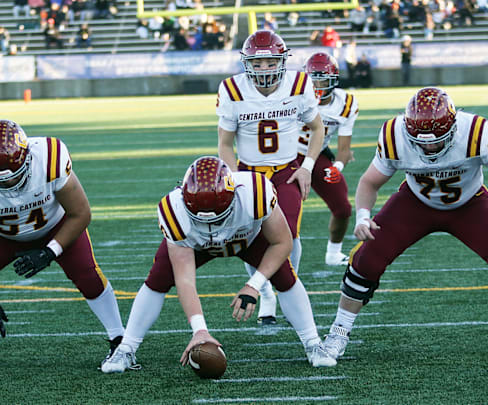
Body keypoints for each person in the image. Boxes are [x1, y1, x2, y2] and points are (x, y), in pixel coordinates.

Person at [322, 87, 488, 361]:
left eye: (437, 140)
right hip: (414, 204)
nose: (428, 147)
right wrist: (363, 216)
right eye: (420, 141)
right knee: (366, 260)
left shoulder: (474, 131)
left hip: (469, 204)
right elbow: (369, 182)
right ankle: (338, 334)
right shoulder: (394, 135)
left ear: (452, 127)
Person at [101, 157, 336, 373]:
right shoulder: (174, 211)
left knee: (285, 277)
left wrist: (254, 285)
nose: (213, 227)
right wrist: (200, 330)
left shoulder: (256, 192)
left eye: (219, 218)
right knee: (157, 281)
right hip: (196, 245)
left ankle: (313, 343)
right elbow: (185, 279)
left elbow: (283, 243)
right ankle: (126, 348)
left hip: (248, 238)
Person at [0, 120, 124, 371]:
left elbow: (80, 214)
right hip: (1, 234)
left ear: (28, 159)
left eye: (13, 178)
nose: (8, 186)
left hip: (55, 227)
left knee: (88, 274)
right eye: (0, 182)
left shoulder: (49, 158)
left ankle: (120, 342)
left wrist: (50, 251)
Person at [216, 30, 325, 325]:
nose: (264, 69)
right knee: (252, 235)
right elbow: (225, 144)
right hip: (249, 173)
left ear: (282, 61)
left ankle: (285, 287)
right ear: (247, 63)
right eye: (258, 63)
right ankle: (265, 294)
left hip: (287, 172)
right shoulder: (232, 90)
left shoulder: (299, 84)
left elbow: (318, 129)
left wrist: (307, 167)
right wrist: (235, 180)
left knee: (288, 234)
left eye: (270, 62)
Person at [300, 52, 357, 266]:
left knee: (342, 208)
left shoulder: (346, 103)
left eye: (322, 79)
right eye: (313, 80)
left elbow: (344, 148)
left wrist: (338, 166)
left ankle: (333, 254)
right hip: (288, 156)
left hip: (317, 156)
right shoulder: (295, 95)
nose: (317, 85)